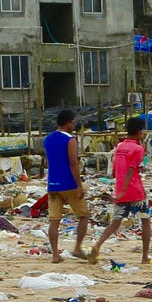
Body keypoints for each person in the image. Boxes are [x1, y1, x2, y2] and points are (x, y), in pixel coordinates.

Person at [89, 116, 152, 265]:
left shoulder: (119, 147)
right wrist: (126, 189)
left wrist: (120, 191)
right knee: (145, 221)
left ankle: (97, 245)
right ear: (139, 131)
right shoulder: (138, 148)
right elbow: (132, 170)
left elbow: (115, 170)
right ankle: (144, 256)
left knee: (115, 223)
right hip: (135, 191)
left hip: (120, 190)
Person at [42, 108, 91, 261]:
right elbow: (73, 163)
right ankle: (77, 248)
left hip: (53, 184)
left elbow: (49, 161)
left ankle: (55, 254)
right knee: (83, 216)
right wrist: (79, 184)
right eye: (73, 123)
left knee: (54, 220)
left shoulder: (47, 139)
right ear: (68, 123)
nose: (74, 125)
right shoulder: (70, 139)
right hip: (69, 183)